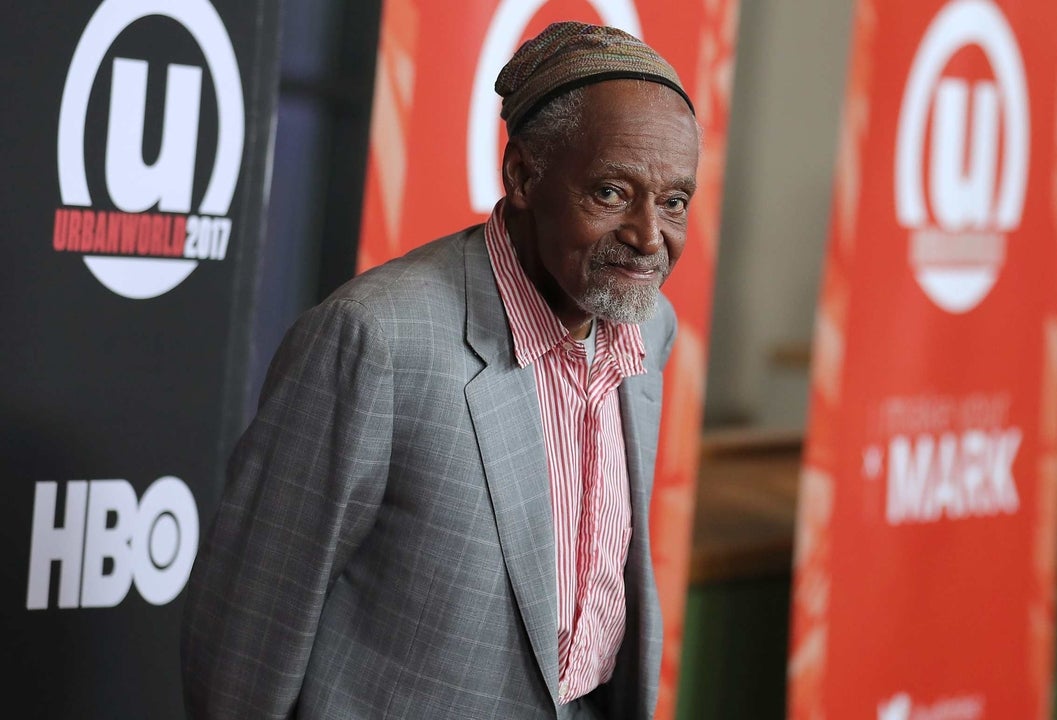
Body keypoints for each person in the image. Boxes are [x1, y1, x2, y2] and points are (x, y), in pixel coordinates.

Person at [181, 21, 701, 720]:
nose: (647, 236)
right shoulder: (376, 341)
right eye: (610, 193)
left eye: (674, 202)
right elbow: (247, 635)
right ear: (522, 176)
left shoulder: (649, 325)